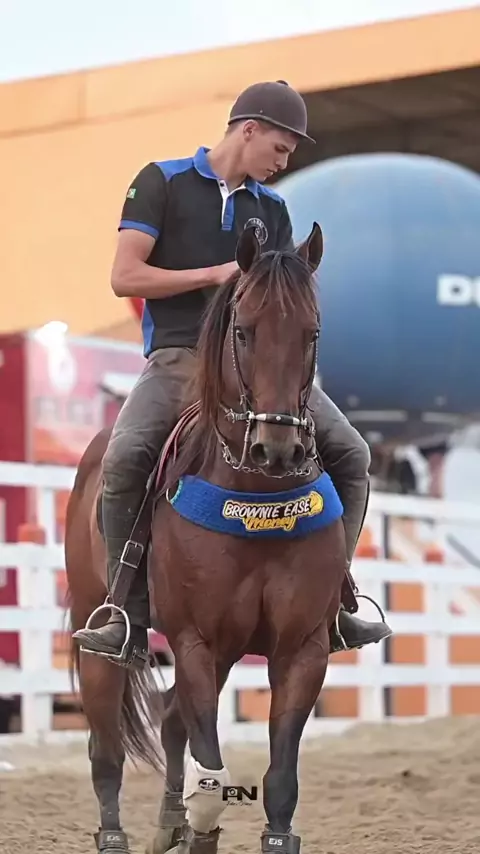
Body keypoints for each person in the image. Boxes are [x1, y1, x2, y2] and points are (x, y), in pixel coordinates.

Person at [73, 80, 392, 668]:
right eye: (280, 148)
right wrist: (213, 274)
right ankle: (125, 614)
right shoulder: (160, 182)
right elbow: (125, 277)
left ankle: (336, 601)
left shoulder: (273, 209)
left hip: (256, 365)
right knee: (124, 458)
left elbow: (283, 301)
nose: (283, 162)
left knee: (352, 453)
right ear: (249, 130)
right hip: (178, 357)